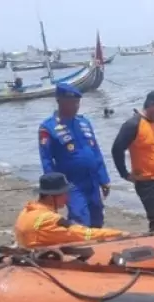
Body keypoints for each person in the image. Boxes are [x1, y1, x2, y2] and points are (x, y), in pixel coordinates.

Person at [38, 83, 111, 228]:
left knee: (97, 217)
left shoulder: (83, 122)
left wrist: (104, 179)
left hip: (92, 180)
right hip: (71, 183)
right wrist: (54, 188)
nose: (76, 106)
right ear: (59, 101)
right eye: (71, 103)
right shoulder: (48, 127)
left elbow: (95, 152)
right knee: (80, 219)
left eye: (77, 102)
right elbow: (46, 160)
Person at [111, 90, 154, 232]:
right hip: (148, 181)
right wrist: (125, 174)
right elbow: (117, 149)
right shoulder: (133, 124)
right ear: (152, 105)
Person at [15, 173, 126, 248]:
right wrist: (119, 234)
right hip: (37, 260)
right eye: (64, 194)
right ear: (50, 196)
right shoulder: (50, 220)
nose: (67, 198)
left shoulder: (27, 211)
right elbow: (84, 234)